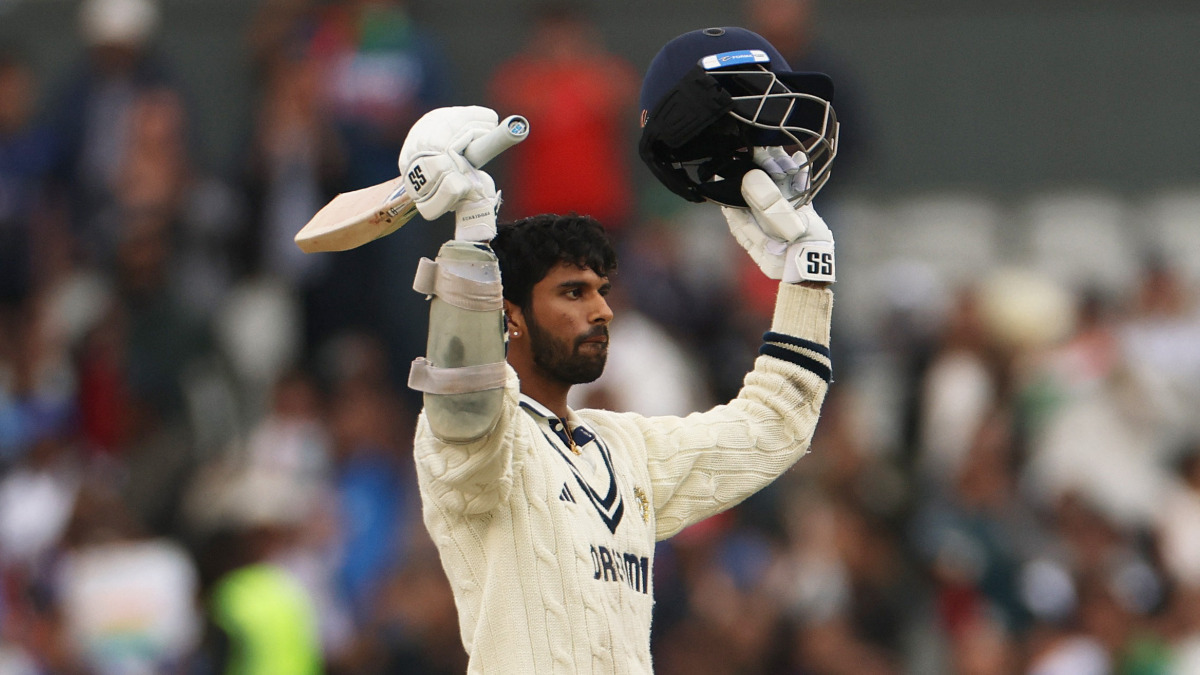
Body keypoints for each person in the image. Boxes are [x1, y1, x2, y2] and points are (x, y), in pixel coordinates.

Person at [395, 26, 839, 672]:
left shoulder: (626, 451)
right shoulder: (479, 443)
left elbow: (776, 426)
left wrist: (807, 268)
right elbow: (465, 406)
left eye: (602, 290)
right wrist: (469, 240)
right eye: (572, 292)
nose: (601, 308)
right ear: (510, 314)